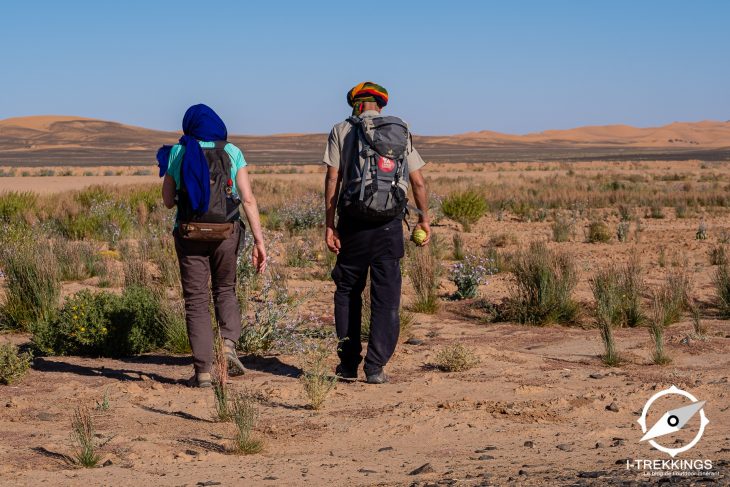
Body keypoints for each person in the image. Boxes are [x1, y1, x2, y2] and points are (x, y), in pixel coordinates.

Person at [323, 82, 431, 384]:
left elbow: (333, 178)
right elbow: (418, 182)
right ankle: (375, 367)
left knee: (347, 291)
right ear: (380, 105)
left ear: (356, 105)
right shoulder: (399, 129)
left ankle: (347, 364)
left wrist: (329, 224)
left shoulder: (341, 129)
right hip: (389, 225)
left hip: (353, 224)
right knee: (386, 296)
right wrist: (424, 220)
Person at [157, 104, 267, 388]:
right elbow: (248, 199)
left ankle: (203, 372)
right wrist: (259, 240)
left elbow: (168, 200)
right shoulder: (232, 151)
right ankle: (228, 346)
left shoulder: (179, 152)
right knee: (225, 289)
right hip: (226, 232)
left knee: (195, 300)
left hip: (190, 233)